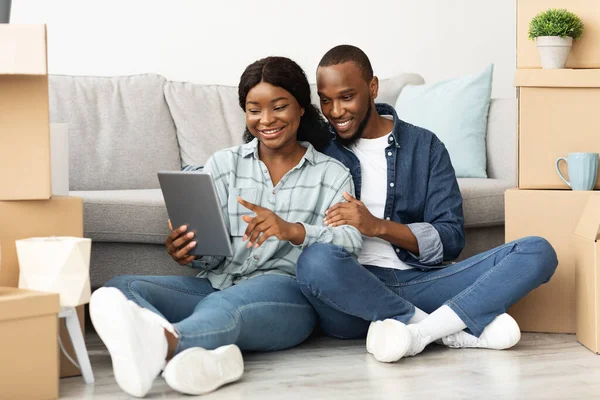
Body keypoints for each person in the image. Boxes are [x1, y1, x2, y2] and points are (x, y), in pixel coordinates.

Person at [89, 56, 362, 397]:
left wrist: (293, 230)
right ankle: (213, 356)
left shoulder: (331, 174)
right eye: (254, 109)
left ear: (301, 109)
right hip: (219, 284)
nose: (266, 120)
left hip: (286, 294)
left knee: (225, 308)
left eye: (279, 107)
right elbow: (211, 258)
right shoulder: (223, 164)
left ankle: (165, 343)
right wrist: (189, 251)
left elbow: (350, 242)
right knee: (118, 287)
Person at [296, 44, 559, 363]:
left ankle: (418, 333)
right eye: (326, 100)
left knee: (537, 250)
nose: (335, 111)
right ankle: (447, 327)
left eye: (347, 97)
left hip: (420, 281)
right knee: (314, 261)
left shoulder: (425, 146)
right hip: (353, 295)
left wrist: (377, 227)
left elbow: (450, 239)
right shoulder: (318, 150)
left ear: (373, 87)